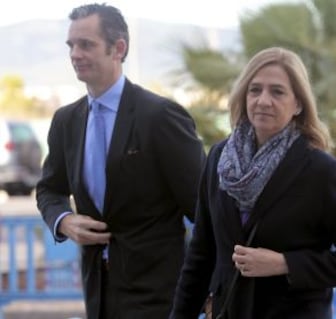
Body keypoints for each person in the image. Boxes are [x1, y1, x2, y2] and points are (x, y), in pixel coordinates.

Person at [169, 47, 336, 319]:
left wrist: (285, 264)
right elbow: (201, 253)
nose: (263, 101)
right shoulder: (219, 158)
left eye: (277, 92)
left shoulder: (323, 172)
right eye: (255, 90)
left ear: (298, 104)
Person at [36, 3, 205, 319]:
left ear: (119, 48)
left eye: (86, 44)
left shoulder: (160, 116)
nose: (75, 53)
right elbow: (49, 189)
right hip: (97, 293)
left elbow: (204, 207)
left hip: (160, 296)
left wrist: (211, 284)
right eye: (71, 45)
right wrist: (64, 221)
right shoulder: (66, 120)